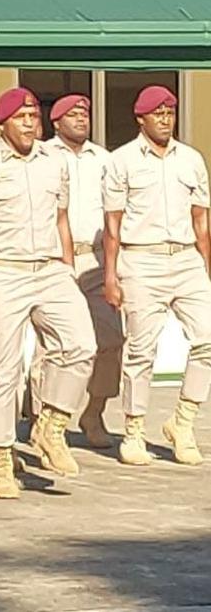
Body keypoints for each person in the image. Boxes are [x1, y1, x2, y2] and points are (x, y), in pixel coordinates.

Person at [0, 87, 97, 499]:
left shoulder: (54, 162)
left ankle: (51, 423)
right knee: (5, 372)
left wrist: (67, 269)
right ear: (2, 122)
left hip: (51, 268)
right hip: (3, 272)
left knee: (82, 346)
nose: (29, 123)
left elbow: (61, 219)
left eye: (33, 116)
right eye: (20, 117)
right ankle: (0, 458)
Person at [103, 84, 211, 466]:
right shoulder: (122, 161)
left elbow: (202, 221)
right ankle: (133, 429)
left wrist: (206, 268)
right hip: (141, 260)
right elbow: (112, 225)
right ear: (141, 119)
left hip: (185, 258)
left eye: (170, 113)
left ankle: (183, 422)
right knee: (140, 350)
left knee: (207, 340)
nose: (165, 119)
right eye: (157, 114)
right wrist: (111, 276)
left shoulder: (192, 160)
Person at [29, 94, 123, 449]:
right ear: (56, 122)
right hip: (54, 259)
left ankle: (94, 411)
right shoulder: (42, 156)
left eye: (84, 113)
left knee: (111, 339)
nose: (81, 118)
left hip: (97, 259)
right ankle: (44, 419)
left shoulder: (105, 159)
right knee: (51, 346)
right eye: (73, 114)